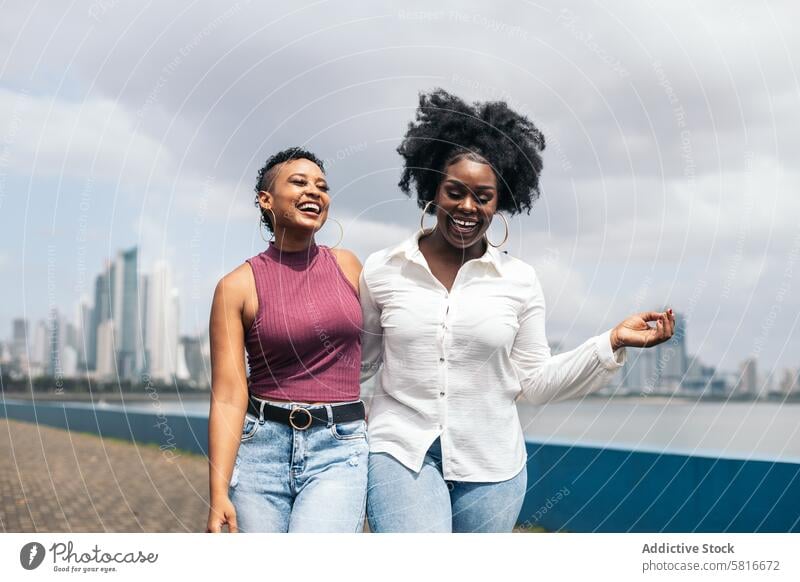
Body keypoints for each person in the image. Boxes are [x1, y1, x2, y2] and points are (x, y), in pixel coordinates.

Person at [360, 89, 676, 532]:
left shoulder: (520, 280)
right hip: (399, 451)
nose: (468, 207)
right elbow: (358, 368)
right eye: (455, 191)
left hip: (491, 466)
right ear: (432, 189)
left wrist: (613, 341)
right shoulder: (383, 270)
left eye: (483, 196)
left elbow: (536, 382)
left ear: (501, 201)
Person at [206, 147, 367, 533]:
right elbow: (229, 396)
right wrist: (217, 492)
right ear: (266, 199)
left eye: (322, 186)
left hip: (339, 447)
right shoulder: (235, 287)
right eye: (298, 182)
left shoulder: (348, 266)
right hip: (262, 448)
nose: (314, 191)